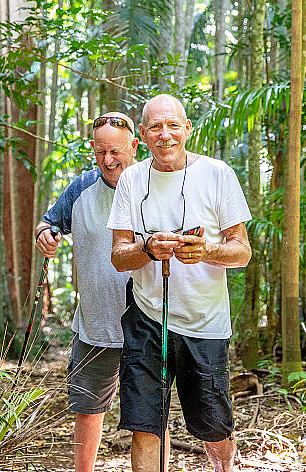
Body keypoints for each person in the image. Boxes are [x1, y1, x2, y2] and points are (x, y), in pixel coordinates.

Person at [107, 94, 252, 472]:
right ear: (142, 134)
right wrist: (149, 248)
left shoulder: (218, 174)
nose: (165, 135)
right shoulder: (131, 181)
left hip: (205, 322)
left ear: (187, 129)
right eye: (155, 127)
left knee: (214, 426)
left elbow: (242, 252)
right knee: (144, 425)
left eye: (173, 125)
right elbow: (119, 256)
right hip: (147, 318)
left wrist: (206, 250)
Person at [35, 112, 139, 472]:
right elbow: (48, 223)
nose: (108, 159)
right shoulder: (81, 188)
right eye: (100, 152)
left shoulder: (152, 185)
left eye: (115, 151)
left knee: (148, 417)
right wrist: (44, 236)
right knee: (87, 408)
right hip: (94, 323)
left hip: (148, 326)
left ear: (134, 147)